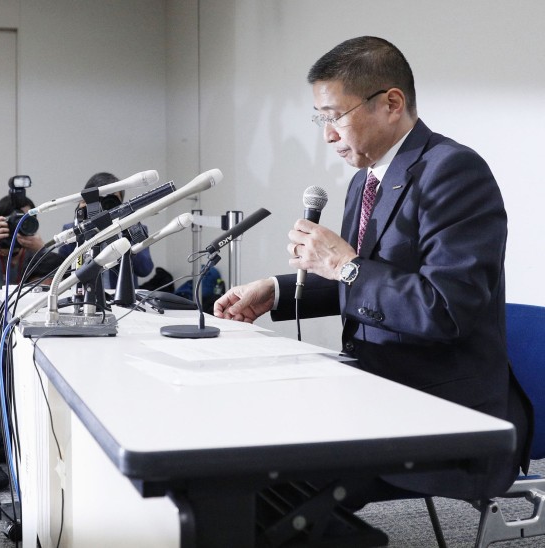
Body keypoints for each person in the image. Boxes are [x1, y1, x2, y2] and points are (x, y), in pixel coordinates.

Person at [214, 36, 532, 508]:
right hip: (374, 394)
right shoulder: (367, 179)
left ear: (391, 103)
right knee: (237, 452)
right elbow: (363, 281)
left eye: (334, 117)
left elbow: (445, 309)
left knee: (268, 485)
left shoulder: (454, 171)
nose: (326, 135)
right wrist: (275, 292)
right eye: (320, 120)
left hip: (442, 413)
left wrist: (343, 263)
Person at [0, 194, 58, 315]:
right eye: (17, 219)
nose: (21, 224)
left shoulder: (32, 249)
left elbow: (62, 276)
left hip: (24, 320)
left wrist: (43, 249)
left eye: (27, 219)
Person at [57, 172, 154, 288]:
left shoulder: (133, 227)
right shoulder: (70, 230)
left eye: (112, 200)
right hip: (84, 299)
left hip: (122, 298)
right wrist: (81, 220)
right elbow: (63, 274)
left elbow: (144, 269)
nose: (105, 206)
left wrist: (122, 233)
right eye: (100, 199)